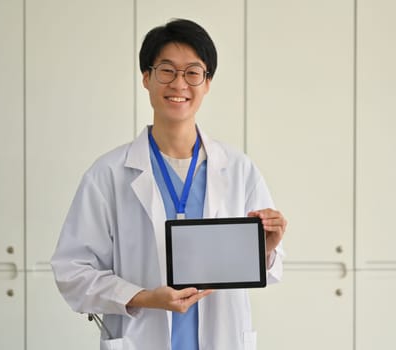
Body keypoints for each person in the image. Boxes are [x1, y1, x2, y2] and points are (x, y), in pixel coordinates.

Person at [51, 18, 287, 350]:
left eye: (193, 72)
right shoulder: (108, 173)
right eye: (167, 71)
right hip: (141, 338)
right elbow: (71, 271)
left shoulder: (238, 169)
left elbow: (271, 270)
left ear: (207, 83)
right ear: (146, 78)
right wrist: (144, 297)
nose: (179, 84)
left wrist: (267, 247)